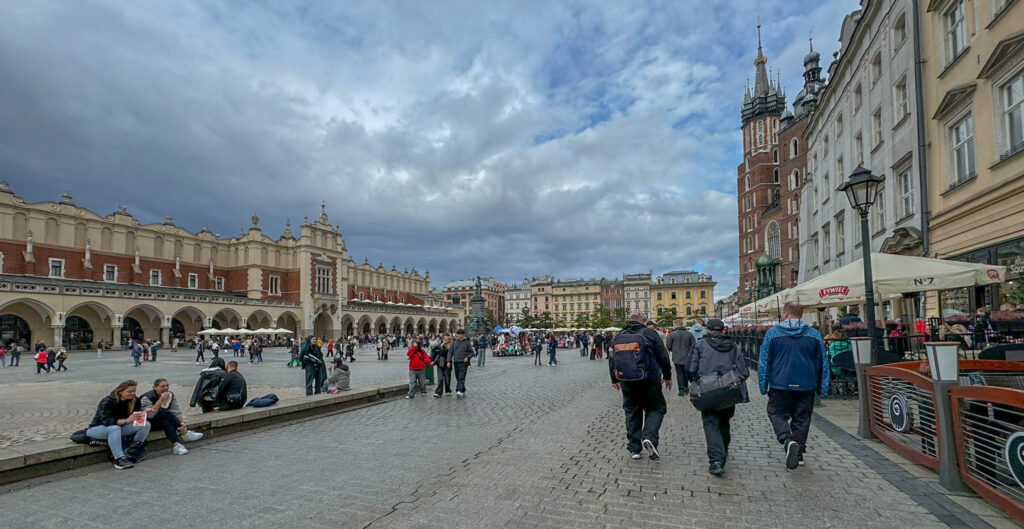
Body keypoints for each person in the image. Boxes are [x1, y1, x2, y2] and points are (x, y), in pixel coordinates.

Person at [758, 302, 830, 470]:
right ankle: (798, 452)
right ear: (801, 314)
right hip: (806, 384)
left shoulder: (773, 334)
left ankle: (787, 440)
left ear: (785, 314)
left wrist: (763, 384)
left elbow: (764, 361)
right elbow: (822, 362)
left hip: (780, 383)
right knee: (802, 418)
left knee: (776, 412)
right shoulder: (813, 334)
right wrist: (822, 386)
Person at [689, 319, 749, 476]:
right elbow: (744, 372)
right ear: (724, 330)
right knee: (724, 422)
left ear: (707, 331)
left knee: (710, 423)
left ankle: (716, 460)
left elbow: (693, 369)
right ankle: (723, 453)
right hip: (729, 391)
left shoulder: (700, 345)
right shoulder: (734, 346)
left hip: (707, 391)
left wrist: (700, 382)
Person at [609, 312, 672, 460]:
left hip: (626, 381)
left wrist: (614, 379)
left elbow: (612, 360)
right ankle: (649, 436)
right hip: (649, 380)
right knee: (656, 408)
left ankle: (634, 448)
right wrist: (667, 376)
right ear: (643, 321)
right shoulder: (650, 333)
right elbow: (663, 356)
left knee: (632, 411)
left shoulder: (619, 336)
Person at [85, 380, 153, 469]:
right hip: (98, 428)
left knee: (146, 425)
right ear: (120, 392)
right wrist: (126, 420)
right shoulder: (108, 401)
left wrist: (143, 413)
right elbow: (106, 421)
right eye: (129, 391)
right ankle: (119, 458)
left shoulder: (134, 400)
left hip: (120, 427)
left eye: (134, 391)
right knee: (114, 428)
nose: (132, 394)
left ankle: (133, 451)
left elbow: (134, 417)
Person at [141, 378, 204, 455]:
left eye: (167, 386)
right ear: (155, 388)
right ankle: (185, 433)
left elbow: (176, 410)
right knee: (164, 413)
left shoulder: (170, 395)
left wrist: (182, 423)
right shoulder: (147, 398)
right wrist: (161, 400)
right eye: (162, 386)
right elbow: (151, 414)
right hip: (146, 422)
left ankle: (176, 445)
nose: (166, 388)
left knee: (166, 422)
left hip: (160, 421)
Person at [666, 319, 696, 396]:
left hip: (677, 357)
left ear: (675, 325)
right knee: (686, 372)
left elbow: (668, 346)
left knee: (679, 373)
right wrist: (690, 352)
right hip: (687, 357)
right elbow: (694, 345)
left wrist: (673, 350)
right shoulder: (689, 334)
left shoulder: (672, 334)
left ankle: (681, 390)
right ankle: (686, 388)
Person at [449, 329, 475, 398]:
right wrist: (448, 361)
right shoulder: (454, 343)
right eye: (458, 334)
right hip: (456, 362)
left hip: (464, 363)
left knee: (461, 377)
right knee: (457, 377)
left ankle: (458, 390)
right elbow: (450, 352)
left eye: (461, 334)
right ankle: (463, 389)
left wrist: (467, 358)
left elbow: (471, 352)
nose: (459, 336)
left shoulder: (467, 343)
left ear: (463, 335)